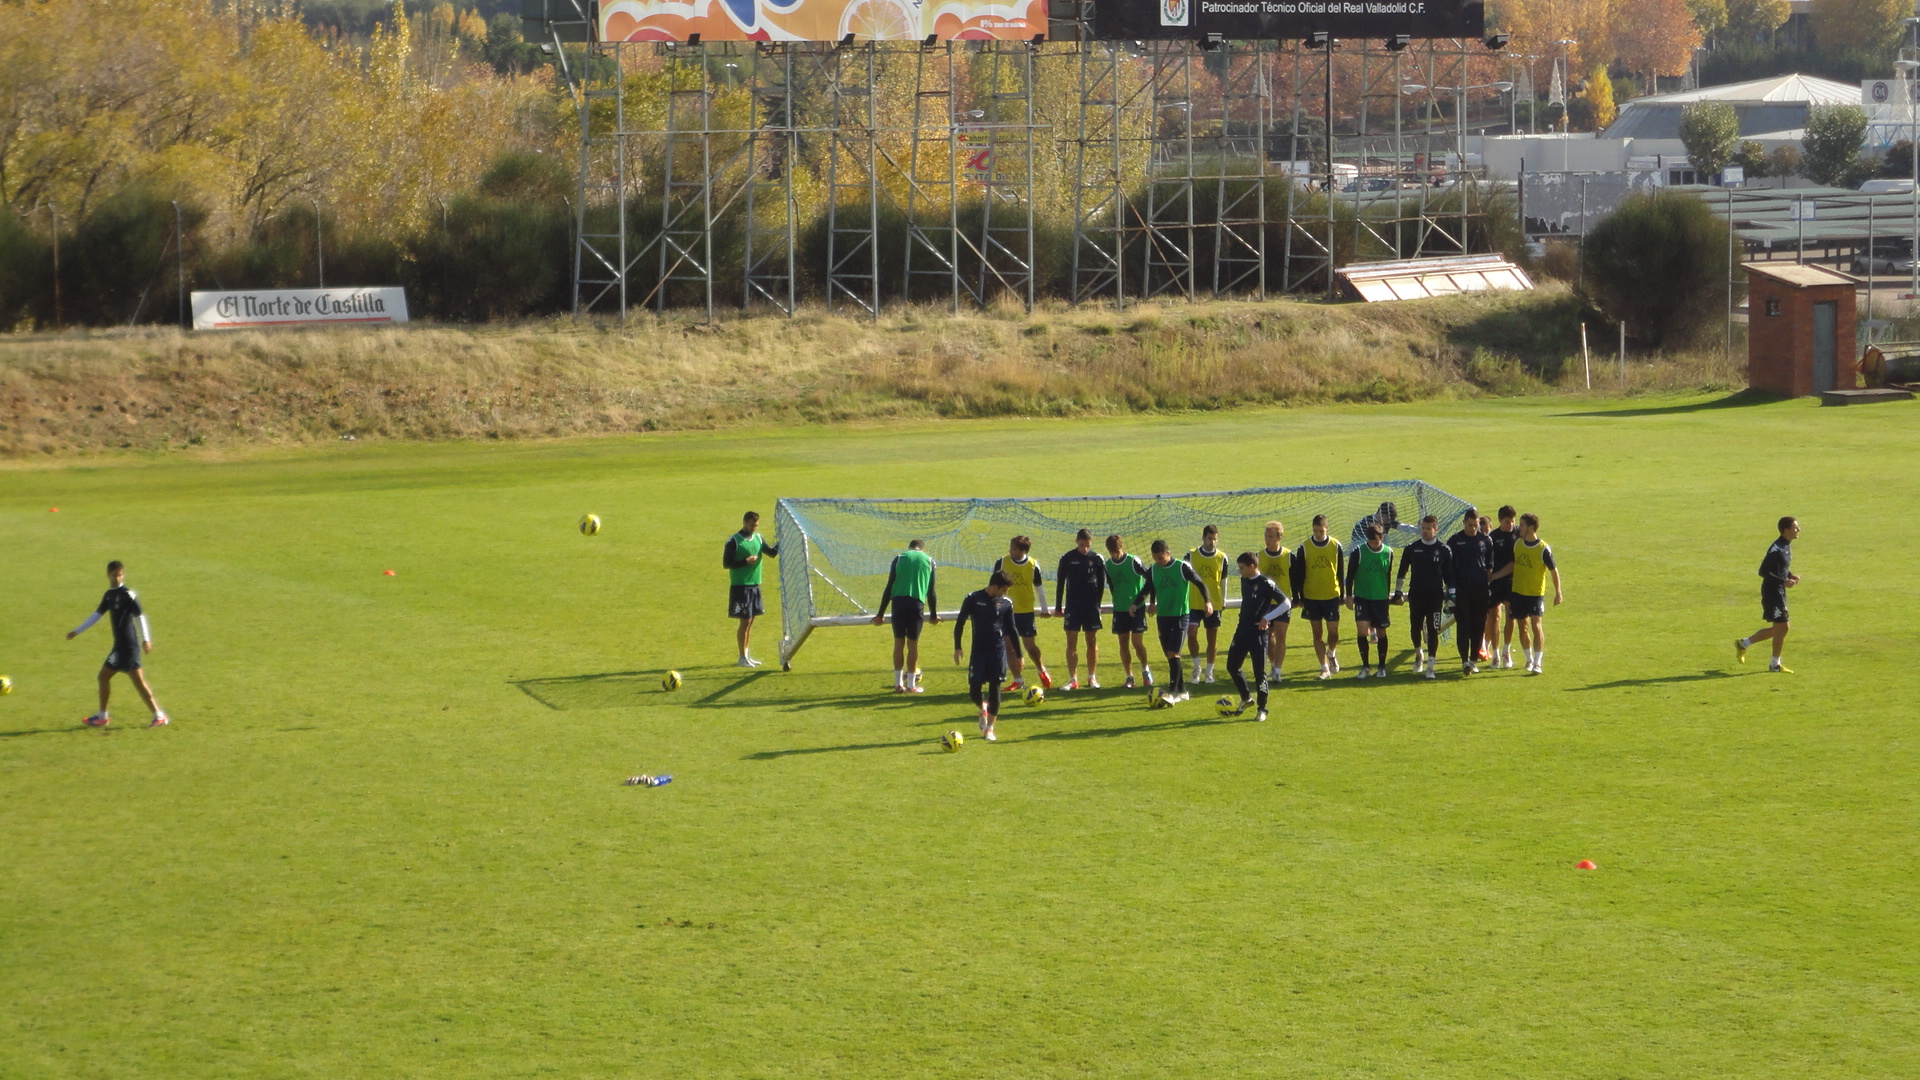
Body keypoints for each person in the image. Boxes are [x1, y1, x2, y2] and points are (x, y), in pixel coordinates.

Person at [67, 560, 168, 728]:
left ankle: (159, 715)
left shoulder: (128, 594)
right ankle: (102, 716)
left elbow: (140, 616)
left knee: (139, 682)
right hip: (119, 648)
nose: (118, 578)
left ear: (123, 575)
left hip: (129, 647)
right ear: (108, 575)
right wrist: (77, 631)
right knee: (103, 676)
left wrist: (146, 639)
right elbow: (96, 615)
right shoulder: (109, 595)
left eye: (120, 575)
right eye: (115, 575)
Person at [953, 571, 1020, 741]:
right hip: (979, 652)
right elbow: (960, 622)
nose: (1005, 593)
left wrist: (1019, 655)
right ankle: (982, 707)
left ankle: (989, 728)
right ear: (995, 586)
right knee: (974, 689)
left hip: (998, 652)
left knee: (995, 689)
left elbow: (1012, 629)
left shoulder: (1006, 603)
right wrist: (958, 647)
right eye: (1004, 589)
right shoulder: (973, 599)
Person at [1224, 551, 1290, 722]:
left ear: (1252, 566)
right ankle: (1246, 698)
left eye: (1242, 568)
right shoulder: (1244, 580)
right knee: (1232, 666)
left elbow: (1286, 603)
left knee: (1259, 673)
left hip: (1258, 634)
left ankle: (1262, 709)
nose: (1239, 571)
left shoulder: (1266, 583)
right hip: (1242, 630)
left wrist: (1267, 618)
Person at [1145, 539, 1213, 704]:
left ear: (1168, 553)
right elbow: (1151, 586)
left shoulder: (1182, 567)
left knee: (1173, 653)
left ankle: (1172, 692)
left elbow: (1200, 583)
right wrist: (1152, 602)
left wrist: (1207, 602)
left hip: (1181, 616)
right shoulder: (1153, 569)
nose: (1158, 562)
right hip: (1163, 617)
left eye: (1161, 558)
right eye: (1155, 558)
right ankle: (1183, 691)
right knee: (1171, 657)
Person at [871, 539, 938, 693]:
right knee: (912, 645)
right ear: (922, 548)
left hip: (898, 604)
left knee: (898, 643)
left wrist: (880, 614)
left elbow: (889, 587)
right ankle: (911, 685)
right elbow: (931, 591)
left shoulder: (899, 559)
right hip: (916, 605)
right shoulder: (929, 561)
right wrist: (933, 614)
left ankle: (898, 684)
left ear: (909, 548)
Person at [1736, 517, 1800, 673]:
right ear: (1786, 530)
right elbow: (1763, 571)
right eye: (1795, 527)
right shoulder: (1777, 549)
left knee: (1780, 628)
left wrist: (1789, 575)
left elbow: (1780, 568)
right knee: (1783, 627)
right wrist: (1783, 581)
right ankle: (1774, 665)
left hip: (1778, 590)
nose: (1798, 530)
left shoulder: (1786, 545)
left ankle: (1743, 644)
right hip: (1772, 592)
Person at [1394, 514, 1453, 680]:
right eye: (1423, 528)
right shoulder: (1412, 548)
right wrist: (1398, 590)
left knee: (1433, 630)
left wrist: (1451, 596)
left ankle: (1431, 666)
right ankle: (1419, 652)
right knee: (1415, 626)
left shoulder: (1443, 550)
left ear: (1436, 529)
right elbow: (1402, 571)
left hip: (1435, 597)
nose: (1425, 532)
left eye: (1429, 529)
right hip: (1416, 595)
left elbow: (1449, 576)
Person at [1504, 512, 1563, 674]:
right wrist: (1494, 576)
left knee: (1536, 626)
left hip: (1536, 593)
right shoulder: (1518, 544)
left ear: (1530, 528)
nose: (1519, 528)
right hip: (1518, 592)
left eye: (1522, 525)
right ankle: (1529, 659)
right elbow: (1513, 565)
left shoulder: (1543, 549)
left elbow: (1553, 571)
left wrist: (1558, 592)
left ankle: (1538, 662)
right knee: (1523, 627)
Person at [991, 535, 1051, 692]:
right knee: (1009, 646)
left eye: (1014, 549)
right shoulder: (1002, 562)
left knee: (1030, 646)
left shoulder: (1032, 565)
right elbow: (993, 585)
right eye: (1010, 548)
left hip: (1025, 611)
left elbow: (1039, 587)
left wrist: (1044, 609)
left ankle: (1041, 669)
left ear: (1023, 551)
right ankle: (1018, 679)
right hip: (1006, 611)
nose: (1010, 551)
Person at [724, 511, 780, 668]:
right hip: (741, 586)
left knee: (750, 622)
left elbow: (772, 553)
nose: (753, 528)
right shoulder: (734, 541)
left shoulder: (758, 538)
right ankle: (742, 657)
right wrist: (745, 561)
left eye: (755, 525)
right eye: (751, 525)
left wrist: (783, 539)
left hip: (755, 585)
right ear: (744, 523)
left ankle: (746, 655)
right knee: (745, 622)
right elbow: (726, 563)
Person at [1054, 529, 1107, 690]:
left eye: (1088, 546)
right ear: (1077, 541)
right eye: (1082, 545)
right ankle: (1073, 679)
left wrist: (1097, 605)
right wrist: (1058, 607)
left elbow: (1101, 585)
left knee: (1092, 641)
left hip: (1091, 606)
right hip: (1073, 605)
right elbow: (1061, 583)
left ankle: (1092, 677)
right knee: (1072, 642)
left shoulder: (1096, 559)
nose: (1085, 549)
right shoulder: (1067, 559)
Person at [1295, 514, 1345, 679]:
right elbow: (1300, 574)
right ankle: (1324, 668)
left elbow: (1340, 571)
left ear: (1327, 528)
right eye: (1315, 531)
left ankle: (1331, 652)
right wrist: (1299, 596)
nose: (1318, 534)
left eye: (1321, 530)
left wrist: (1343, 594)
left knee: (1333, 631)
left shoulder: (1336, 545)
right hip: (1311, 596)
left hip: (1331, 595)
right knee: (1317, 633)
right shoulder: (1304, 547)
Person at [1444, 508, 1493, 675]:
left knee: (1479, 625)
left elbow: (1489, 567)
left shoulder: (1485, 540)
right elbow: (1448, 567)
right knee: (1463, 624)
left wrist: (1488, 587)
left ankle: (1473, 660)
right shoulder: (1455, 541)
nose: (1473, 528)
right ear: (1464, 523)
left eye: (1476, 525)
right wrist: (1451, 591)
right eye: (1470, 525)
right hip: (1462, 589)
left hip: (1480, 589)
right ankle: (1464, 660)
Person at [1104, 535, 1155, 689]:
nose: (1115, 555)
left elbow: (1150, 579)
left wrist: (1148, 602)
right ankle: (1129, 676)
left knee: (1137, 642)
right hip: (1120, 610)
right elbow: (1111, 585)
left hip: (1137, 608)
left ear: (1122, 547)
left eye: (1117, 551)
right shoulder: (1108, 565)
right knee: (1123, 643)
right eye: (1113, 552)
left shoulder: (1133, 561)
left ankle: (1145, 670)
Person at [1345, 524, 1395, 679]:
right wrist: (1348, 596)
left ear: (1382, 537)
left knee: (1381, 632)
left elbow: (1388, 574)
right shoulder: (1358, 552)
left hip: (1380, 599)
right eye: (1372, 541)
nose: (1375, 543)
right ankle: (1365, 666)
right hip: (1362, 598)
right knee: (1362, 630)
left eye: (1378, 540)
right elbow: (1350, 575)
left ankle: (1381, 666)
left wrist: (1387, 594)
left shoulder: (1388, 553)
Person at [1184, 525, 1231, 683]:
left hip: (1214, 604)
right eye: (1210, 539)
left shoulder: (1222, 558)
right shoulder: (1190, 555)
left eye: (1215, 539)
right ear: (1203, 538)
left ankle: (1209, 671)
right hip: (1193, 602)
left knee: (1212, 638)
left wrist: (1222, 601)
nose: (1212, 542)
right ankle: (1197, 667)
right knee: (1191, 633)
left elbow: (1223, 581)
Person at [1255, 521, 1295, 685]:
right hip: (1265, 602)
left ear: (1279, 537)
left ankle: (1277, 670)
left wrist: (1297, 597)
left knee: (1281, 635)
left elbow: (1295, 577)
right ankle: (1272, 663)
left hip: (1282, 602)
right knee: (1267, 636)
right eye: (1266, 536)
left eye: (1270, 536)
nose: (1267, 539)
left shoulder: (1288, 556)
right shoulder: (1259, 556)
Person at [1485, 505, 1520, 668]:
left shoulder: (1518, 535)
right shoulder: (1493, 537)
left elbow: (1514, 564)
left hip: (1511, 582)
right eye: (1507, 522)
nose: (1510, 525)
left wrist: (1494, 576)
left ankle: (1506, 651)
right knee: (1494, 618)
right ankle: (1496, 654)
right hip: (1496, 584)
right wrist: (1490, 577)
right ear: (1500, 520)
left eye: (1512, 521)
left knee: (1510, 616)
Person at [1349, 500, 1419, 550]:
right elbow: (1356, 546)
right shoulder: (1363, 525)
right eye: (1387, 519)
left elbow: (1404, 527)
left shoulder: (1388, 521)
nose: (1389, 522)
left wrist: (1419, 529)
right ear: (1380, 513)